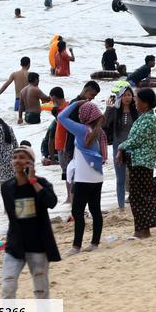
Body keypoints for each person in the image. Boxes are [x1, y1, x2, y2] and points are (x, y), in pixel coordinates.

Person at [0, 145, 60, 312]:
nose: (18, 160)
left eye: (23, 157)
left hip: (39, 247)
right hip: (15, 246)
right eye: (15, 157)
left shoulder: (42, 184)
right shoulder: (6, 187)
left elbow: (51, 202)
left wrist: (33, 180)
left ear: (31, 162)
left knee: (41, 293)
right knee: (7, 289)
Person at [56, 101, 106, 253]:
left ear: (85, 115)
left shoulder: (82, 129)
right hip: (97, 176)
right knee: (95, 210)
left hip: (84, 178)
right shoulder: (99, 131)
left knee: (77, 211)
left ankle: (76, 246)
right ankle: (94, 244)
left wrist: (76, 103)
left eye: (80, 113)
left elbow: (61, 117)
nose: (78, 116)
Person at [115, 87, 156, 238]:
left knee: (140, 196)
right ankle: (142, 229)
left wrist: (120, 147)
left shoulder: (148, 119)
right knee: (139, 195)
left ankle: (143, 230)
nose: (135, 102)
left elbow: (136, 140)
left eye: (137, 99)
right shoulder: (144, 117)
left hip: (141, 162)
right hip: (138, 161)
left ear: (145, 103)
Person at [103, 83, 137, 209]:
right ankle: (121, 206)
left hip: (134, 147)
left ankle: (135, 203)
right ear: (120, 97)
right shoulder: (114, 110)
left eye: (129, 95)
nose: (127, 98)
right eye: (124, 95)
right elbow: (104, 124)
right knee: (120, 179)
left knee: (135, 178)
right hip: (118, 147)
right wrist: (108, 108)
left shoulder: (137, 110)